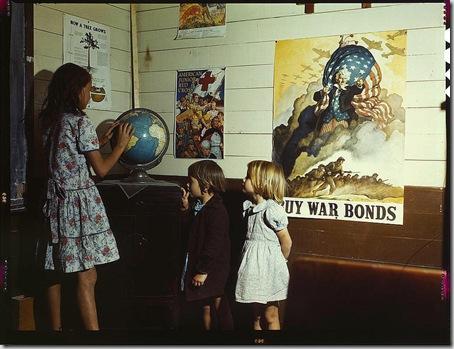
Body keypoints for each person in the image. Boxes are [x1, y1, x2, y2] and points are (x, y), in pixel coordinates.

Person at [39, 62, 133, 331]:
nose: (90, 95)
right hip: (80, 206)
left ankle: (54, 332)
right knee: (87, 275)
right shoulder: (80, 121)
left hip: (55, 203)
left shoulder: (50, 119)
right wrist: (121, 146)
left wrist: (98, 143)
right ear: (76, 90)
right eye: (89, 89)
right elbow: (101, 170)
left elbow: (64, 154)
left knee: (55, 267)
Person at [235, 160, 292, 330]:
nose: (243, 180)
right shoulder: (249, 208)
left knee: (270, 315)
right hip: (252, 270)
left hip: (269, 271)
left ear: (261, 182)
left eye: (248, 177)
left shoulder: (271, 210)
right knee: (255, 316)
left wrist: (278, 263)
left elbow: (286, 242)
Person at [180, 160, 231, 330]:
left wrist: (202, 271)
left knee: (219, 306)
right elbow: (191, 232)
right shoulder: (199, 206)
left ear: (205, 185)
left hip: (212, 269)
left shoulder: (216, 210)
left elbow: (213, 244)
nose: (188, 185)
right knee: (204, 305)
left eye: (191, 181)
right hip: (202, 266)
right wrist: (186, 209)